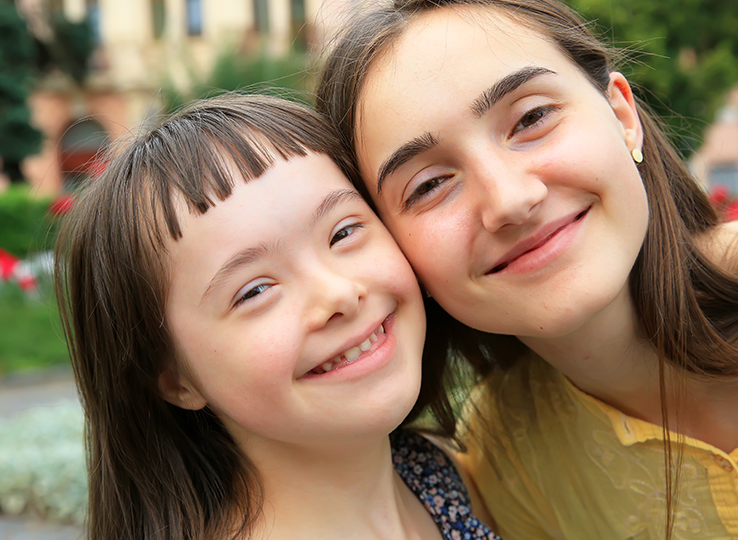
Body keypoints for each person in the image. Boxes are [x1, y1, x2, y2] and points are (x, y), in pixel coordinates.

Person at [316, 0, 738, 540]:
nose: (509, 201)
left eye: (532, 118)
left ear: (622, 115)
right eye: (430, 185)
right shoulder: (506, 456)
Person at [54, 94, 500, 540]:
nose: (338, 293)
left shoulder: (439, 476)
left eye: (344, 232)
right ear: (174, 378)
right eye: (255, 291)